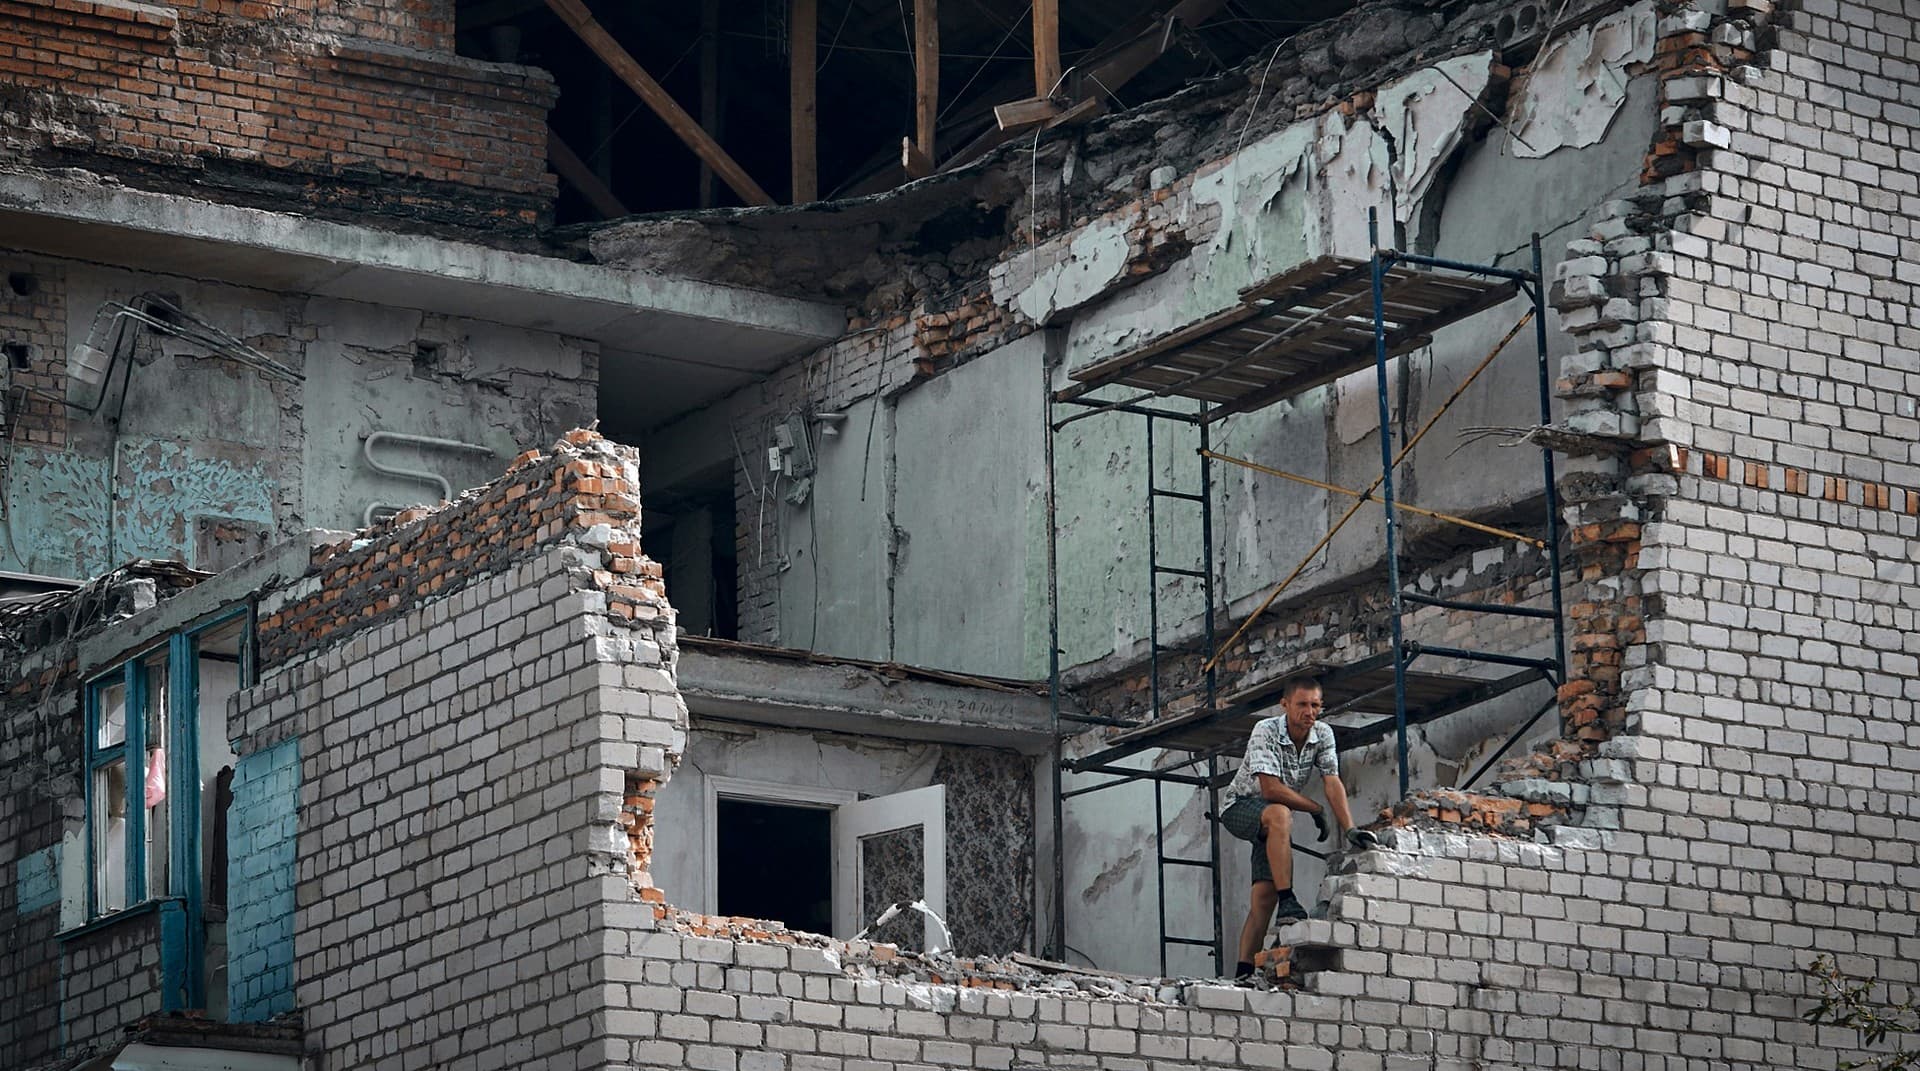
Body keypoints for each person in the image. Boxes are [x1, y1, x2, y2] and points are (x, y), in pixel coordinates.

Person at [1217, 676, 1374, 978]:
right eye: (1302, 704)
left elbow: (1332, 781)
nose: (1309, 712)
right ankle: (1288, 898)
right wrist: (1314, 808)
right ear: (1285, 705)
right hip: (1239, 808)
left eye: (1315, 705)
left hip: (1273, 821)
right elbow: (1269, 789)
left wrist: (1350, 828)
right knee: (1280, 813)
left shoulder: (1323, 734)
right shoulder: (1266, 730)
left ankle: (1243, 974)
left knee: (1264, 898)